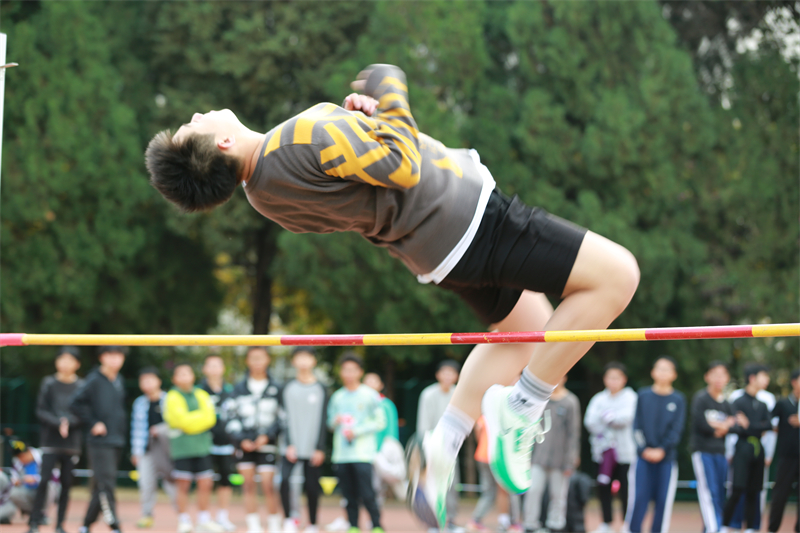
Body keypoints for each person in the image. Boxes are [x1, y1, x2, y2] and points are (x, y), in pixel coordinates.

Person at [145, 63, 640, 529]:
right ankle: (525, 405)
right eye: (193, 126)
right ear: (224, 142)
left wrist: (369, 125)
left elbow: (362, 187)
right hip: (468, 219)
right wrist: (388, 84)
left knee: (527, 334)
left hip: (433, 253)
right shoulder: (298, 136)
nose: (196, 115)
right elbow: (403, 167)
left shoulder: (264, 195)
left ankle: (445, 443)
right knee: (617, 276)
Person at [70, 346, 128, 533]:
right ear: (102, 357)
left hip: (116, 439)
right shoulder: (94, 379)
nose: (115, 360)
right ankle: (114, 525)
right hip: (99, 442)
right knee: (106, 484)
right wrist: (93, 422)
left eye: (119, 355)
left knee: (100, 485)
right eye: (110, 355)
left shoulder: (119, 380)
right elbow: (75, 403)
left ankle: (86, 525)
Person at [224, 347, 282, 533]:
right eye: (253, 358)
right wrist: (240, 440)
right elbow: (230, 415)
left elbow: (282, 417)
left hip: (267, 444)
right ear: (247, 361)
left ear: (268, 360)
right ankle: (253, 525)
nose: (257, 362)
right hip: (244, 444)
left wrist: (268, 436)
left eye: (260, 358)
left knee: (268, 485)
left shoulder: (276, 387)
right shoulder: (238, 388)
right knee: (248, 485)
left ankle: (274, 524)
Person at [625, 357, 686, 533]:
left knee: (662, 501)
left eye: (667, 369)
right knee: (639, 498)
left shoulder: (678, 399)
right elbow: (636, 426)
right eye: (660, 368)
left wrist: (662, 449)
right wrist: (644, 449)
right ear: (653, 372)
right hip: (642, 459)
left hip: (666, 459)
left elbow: (677, 429)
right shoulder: (643, 395)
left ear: (674, 374)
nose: (663, 372)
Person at [327, 353, 386, 533]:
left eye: (353, 370)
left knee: (367, 493)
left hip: (362, 454)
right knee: (348, 495)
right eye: (346, 370)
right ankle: (353, 526)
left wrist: (357, 431)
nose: (349, 374)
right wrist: (336, 421)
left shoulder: (370, 395)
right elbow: (330, 423)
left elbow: (380, 422)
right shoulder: (337, 397)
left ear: (360, 372)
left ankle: (376, 525)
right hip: (342, 455)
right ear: (341, 372)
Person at [28, 346, 84, 533]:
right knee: (44, 481)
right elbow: (40, 410)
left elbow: (84, 412)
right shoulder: (49, 383)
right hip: (50, 441)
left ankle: (60, 524)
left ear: (77, 364)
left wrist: (69, 423)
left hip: (71, 443)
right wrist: (58, 423)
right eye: (62, 359)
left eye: (70, 360)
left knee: (67, 484)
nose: (65, 364)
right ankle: (34, 522)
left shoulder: (81, 386)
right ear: (56, 362)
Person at [163, 363, 224, 533]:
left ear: (193, 376)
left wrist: (190, 422)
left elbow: (210, 418)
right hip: (182, 448)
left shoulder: (201, 394)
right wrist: (198, 420)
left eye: (187, 373)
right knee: (183, 485)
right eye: (180, 374)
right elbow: (181, 421)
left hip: (202, 446)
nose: (185, 377)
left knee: (205, 483)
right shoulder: (172, 396)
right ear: (174, 379)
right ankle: (183, 520)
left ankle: (204, 519)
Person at [278, 347, 328, 533]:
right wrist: (288, 443)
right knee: (284, 481)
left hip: (312, 447)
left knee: (312, 487)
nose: (304, 361)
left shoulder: (321, 388)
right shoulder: (287, 388)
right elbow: (283, 417)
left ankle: (312, 524)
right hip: (291, 446)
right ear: (293, 361)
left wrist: (320, 447)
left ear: (314, 361)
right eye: (300, 357)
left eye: (307, 357)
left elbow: (324, 420)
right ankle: (289, 519)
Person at [584, 362, 637, 533]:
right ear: (605, 379)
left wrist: (608, 417)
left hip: (625, 453)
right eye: (610, 377)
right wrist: (610, 418)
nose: (613, 381)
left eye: (617, 378)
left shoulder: (631, 397)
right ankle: (606, 523)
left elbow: (626, 418)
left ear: (624, 379)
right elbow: (590, 422)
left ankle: (627, 523)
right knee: (603, 488)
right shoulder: (598, 399)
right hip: (602, 453)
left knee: (626, 490)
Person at [524, 374, 581, 533]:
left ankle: (556, 525)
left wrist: (571, 459)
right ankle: (530, 525)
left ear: (565, 378)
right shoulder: (541, 399)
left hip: (561, 458)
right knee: (533, 491)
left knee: (558, 495)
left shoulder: (570, 401)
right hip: (538, 456)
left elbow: (573, 432)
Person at [690, 361, 742, 533]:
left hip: (721, 453)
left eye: (722, 375)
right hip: (703, 451)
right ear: (707, 376)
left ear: (727, 378)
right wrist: (724, 425)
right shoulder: (701, 398)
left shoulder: (727, 403)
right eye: (715, 374)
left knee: (719, 493)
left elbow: (737, 426)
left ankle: (712, 527)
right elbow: (701, 424)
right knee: (709, 492)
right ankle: (715, 528)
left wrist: (719, 425)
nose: (719, 378)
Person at [721, 364, 773, 533]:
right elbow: (737, 428)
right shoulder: (738, 401)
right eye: (763, 376)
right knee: (737, 488)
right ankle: (724, 525)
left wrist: (749, 425)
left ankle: (750, 527)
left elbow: (769, 426)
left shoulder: (763, 404)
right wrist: (756, 427)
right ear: (752, 378)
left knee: (754, 491)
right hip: (742, 448)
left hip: (758, 450)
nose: (767, 380)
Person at [417, 360, 463, 531]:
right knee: (432, 485)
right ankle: (432, 522)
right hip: (432, 445)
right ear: (438, 375)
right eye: (444, 372)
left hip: (451, 446)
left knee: (452, 484)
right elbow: (423, 423)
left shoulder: (459, 393)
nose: (448, 376)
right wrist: (425, 446)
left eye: (452, 373)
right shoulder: (428, 394)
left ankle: (451, 521)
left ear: (457, 376)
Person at [130, 367, 176, 529]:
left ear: (159, 381)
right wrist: (136, 452)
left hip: (166, 451)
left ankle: (182, 516)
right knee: (146, 484)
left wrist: (160, 430)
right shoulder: (139, 403)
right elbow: (135, 428)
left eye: (150, 379)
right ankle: (146, 515)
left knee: (172, 485)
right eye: (143, 380)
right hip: (146, 451)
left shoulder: (170, 399)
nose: (147, 383)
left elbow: (176, 424)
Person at [198, 355, 237, 532]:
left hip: (226, 443)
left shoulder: (230, 390)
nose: (214, 369)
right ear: (204, 369)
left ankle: (222, 517)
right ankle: (203, 518)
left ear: (223, 369)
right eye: (210, 365)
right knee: (204, 481)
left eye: (217, 365)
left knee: (225, 481)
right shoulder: (199, 391)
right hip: (204, 443)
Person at [364, 373, 406, 502]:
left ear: (380, 385)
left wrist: (386, 447)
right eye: (367, 381)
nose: (370, 384)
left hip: (381, 450)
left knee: (378, 483)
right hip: (364, 450)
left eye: (374, 381)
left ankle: (376, 509)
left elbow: (391, 429)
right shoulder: (361, 403)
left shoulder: (386, 404)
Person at [767, 368, 799, 533]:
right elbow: (768, 422)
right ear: (794, 382)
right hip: (786, 457)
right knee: (780, 494)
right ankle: (773, 529)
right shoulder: (783, 403)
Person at [9, 440, 44, 521]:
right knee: (13, 492)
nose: (21, 459)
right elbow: (13, 477)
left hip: (43, 490)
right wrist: (17, 481)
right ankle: (35, 513)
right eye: (18, 457)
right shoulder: (17, 462)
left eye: (22, 456)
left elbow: (55, 476)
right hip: (27, 491)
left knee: (49, 485)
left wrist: (35, 479)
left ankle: (43, 512)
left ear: (29, 451)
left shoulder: (43, 455)